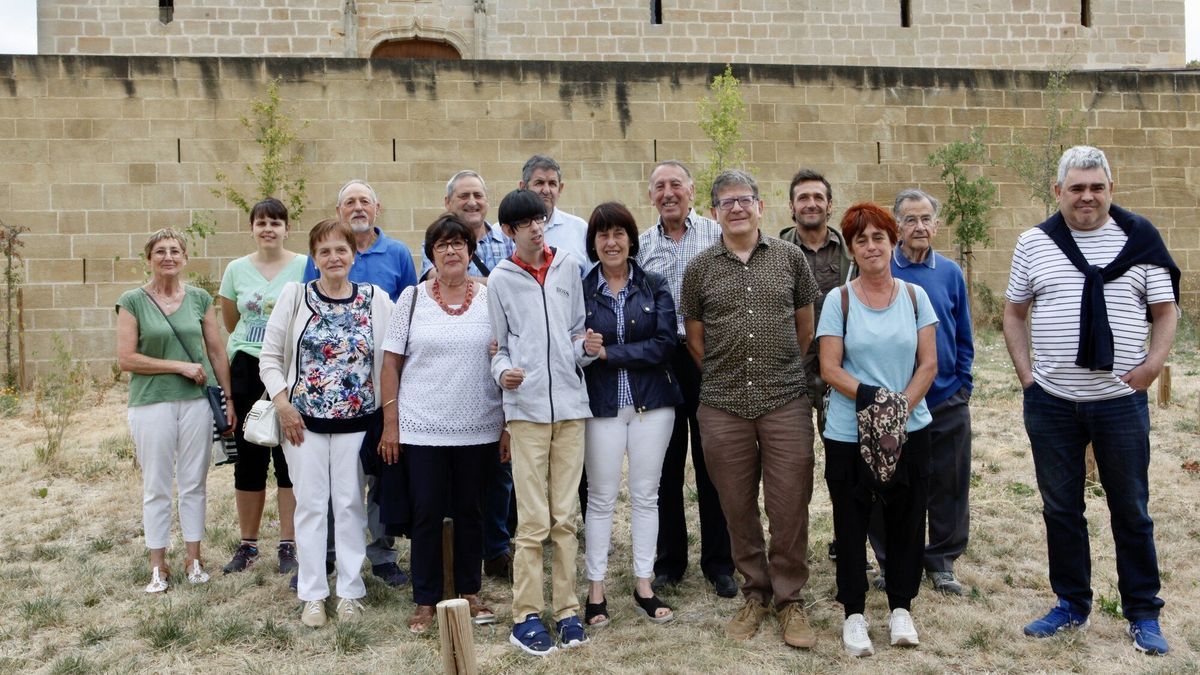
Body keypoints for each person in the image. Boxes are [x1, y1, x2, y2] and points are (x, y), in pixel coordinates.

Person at [1003, 146, 1179, 656]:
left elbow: (1165, 312)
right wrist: (1025, 373)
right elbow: (1015, 311)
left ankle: (1143, 612)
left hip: (1120, 402)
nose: (1087, 196)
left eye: (1096, 186)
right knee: (1061, 509)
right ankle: (1071, 604)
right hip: (1052, 402)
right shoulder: (1034, 243)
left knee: (1132, 509)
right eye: (1076, 187)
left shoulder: (1140, 238)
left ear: (1110, 188)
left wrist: (1151, 367)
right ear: (1058, 191)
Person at [680, 169, 819, 648]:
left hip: (785, 401)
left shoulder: (790, 259)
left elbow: (806, 327)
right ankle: (754, 593)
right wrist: (729, 373)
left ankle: (790, 599)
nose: (736, 208)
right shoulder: (699, 269)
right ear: (714, 212)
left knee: (789, 505)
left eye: (745, 199)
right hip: (723, 405)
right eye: (726, 202)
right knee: (736, 507)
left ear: (760, 207)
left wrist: (780, 371)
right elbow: (695, 341)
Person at [816, 203, 939, 657]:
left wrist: (899, 408)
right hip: (850, 433)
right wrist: (874, 401)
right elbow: (830, 367)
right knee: (850, 521)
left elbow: (928, 363)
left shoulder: (914, 298)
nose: (872, 246)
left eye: (879, 238)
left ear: (894, 242)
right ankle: (853, 613)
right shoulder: (839, 300)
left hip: (911, 429)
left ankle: (901, 607)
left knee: (908, 519)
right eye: (861, 240)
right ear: (852, 248)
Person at [261, 218, 393, 627]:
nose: (334, 258)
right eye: (324, 251)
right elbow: (268, 359)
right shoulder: (295, 296)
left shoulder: (375, 299)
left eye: (341, 250)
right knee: (312, 507)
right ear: (314, 258)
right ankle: (314, 594)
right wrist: (283, 405)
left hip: (358, 423)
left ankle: (351, 591)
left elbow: (390, 361)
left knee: (351, 505)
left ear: (354, 256)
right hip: (303, 424)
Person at [379, 214, 506, 633]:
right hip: (421, 428)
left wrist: (506, 425)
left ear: (471, 252)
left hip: (481, 426)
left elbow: (506, 359)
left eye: (459, 244)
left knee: (472, 511)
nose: (451, 251)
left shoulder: (492, 299)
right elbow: (390, 362)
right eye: (442, 245)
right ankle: (426, 599)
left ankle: (470, 591)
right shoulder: (412, 299)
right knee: (427, 513)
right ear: (431, 253)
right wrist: (391, 423)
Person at [487, 189, 598, 656]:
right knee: (532, 522)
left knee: (565, 519)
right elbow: (498, 347)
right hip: (527, 412)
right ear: (510, 231)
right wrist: (502, 374)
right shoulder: (499, 279)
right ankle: (526, 616)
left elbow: (575, 333)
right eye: (526, 222)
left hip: (571, 411)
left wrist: (584, 352)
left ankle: (568, 611)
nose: (537, 227)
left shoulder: (570, 266)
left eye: (541, 219)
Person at [303, 179, 416, 588]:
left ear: (377, 207)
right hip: (327, 401)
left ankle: (382, 555)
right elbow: (305, 310)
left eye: (364, 201)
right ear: (339, 212)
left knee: (379, 478)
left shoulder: (398, 253)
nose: (357, 207)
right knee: (336, 483)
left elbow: (408, 315)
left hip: (379, 391)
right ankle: (329, 554)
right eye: (349, 202)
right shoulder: (319, 257)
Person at [636, 160, 735, 599]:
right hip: (661, 361)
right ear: (651, 196)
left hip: (708, 357)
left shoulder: (717, 236)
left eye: (676, 184)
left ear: (692, 192)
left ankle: (720, 563)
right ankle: (668, 563)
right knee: (665, 466)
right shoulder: (640, 247)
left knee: (714, 462)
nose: (668, 192)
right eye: (660, 186)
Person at [116, 228, 235, 593]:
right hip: (152, 402)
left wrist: (228, 399)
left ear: (184, 258)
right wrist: (179, 366)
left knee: (193, 482)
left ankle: (194, 559)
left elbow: (216, 351)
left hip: (198, 403)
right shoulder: (132, 300)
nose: (168, 257)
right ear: (149, 258)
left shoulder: (199, 298)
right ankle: (158, 565)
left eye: (174, 251)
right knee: (156, 485)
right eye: (160, 251)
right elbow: (127, 359)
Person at [580, 202, 681, 627]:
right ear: (594, 243)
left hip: (652, 404)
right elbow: (572, 346)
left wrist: (607, 353)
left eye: (619, 233)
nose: (611, 241)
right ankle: (595, 588)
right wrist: (587, 353)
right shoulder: (581, 290)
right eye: (603, 234)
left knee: (646, 495)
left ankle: (644, 583)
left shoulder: (654, 285)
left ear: (631, 239)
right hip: (600, 405)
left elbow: (664, 344)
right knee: (600, 498)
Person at [868, 188, 973, 596]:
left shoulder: (949, 273)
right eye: (910, 219)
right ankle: (891, 560)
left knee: (948, 483)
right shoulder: (877, 271)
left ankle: (942, 561)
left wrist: (963, 384)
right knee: (888, 484)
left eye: (926, 218)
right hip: (890, 401)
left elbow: (963, 334)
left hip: (945, 398)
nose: (919, 226)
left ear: (936, 224)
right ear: (896, 227)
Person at [217, 198, 307, 576]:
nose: (268, 229)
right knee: (249, 460)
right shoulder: (236, 269)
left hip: (290, 368)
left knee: (289, 458)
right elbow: (231, 319)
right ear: (251, 228)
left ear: (287, 228)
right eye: (261, 223)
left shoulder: (304, 265)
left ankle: (289, 544)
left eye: (275, 222)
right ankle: (248, 544)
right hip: (246, 366)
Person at [778, 168, 853, 437]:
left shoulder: (850, 253)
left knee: (841, 450)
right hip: (791, 368)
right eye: (803, 198)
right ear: (792, 206)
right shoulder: (774, 253)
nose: (811, 204)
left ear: (829, 205)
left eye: (818, 197)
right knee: (792, 456)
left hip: (841, 366)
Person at [422, 170, 515, 282]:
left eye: (478, 195)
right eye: (464, 196)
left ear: (487, 201)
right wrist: (500, 284)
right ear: (447, 202)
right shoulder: (435, 242)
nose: (472, 202)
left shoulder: (509, 241)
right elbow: (437, 279)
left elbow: (519, 283)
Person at [519, 155, 590, 271]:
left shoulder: (580, 229)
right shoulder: (504, 232)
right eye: (539, 183)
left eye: (552, 183)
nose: (546, 190)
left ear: (560, 188)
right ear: (523, 187)